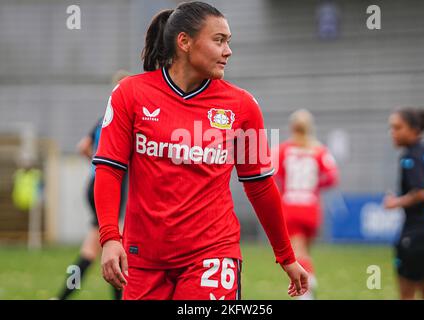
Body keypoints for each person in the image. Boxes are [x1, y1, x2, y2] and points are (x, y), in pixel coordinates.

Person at [92, 1, 308, 300]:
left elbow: (260, 186)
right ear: (184, 41)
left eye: (228, 42)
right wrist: (109, 238)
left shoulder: (243, 106)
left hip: (213, 254)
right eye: (219, 40)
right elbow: (109, 169)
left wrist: (286, 256)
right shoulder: (130, 94)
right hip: (143, 260)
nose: (228, 51)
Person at [55, 70, 132, 300]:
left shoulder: (103, 119)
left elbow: (83, 146)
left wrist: (96, 163)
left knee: (92, 248)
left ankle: (61, 296)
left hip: (95, 184)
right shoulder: (125, 119)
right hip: (109, 188)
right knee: (112, 244)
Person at [384, 107, 424, 300]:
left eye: (397, 127)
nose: (392, 133)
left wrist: (395, 202)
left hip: (419, 234)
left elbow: (422, 192)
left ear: (414, 129)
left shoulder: (411, 156)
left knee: (407, 296)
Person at [273, 109, 339, 299]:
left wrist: (285, 186)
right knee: (305, 249)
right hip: (311, 205)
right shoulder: (319, 150)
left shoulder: (283, 149)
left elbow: (271, 172)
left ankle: (306, 285)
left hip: (291, 205)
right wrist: (316, 185)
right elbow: (332, 177)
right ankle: (309, 278)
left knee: (298, 251)